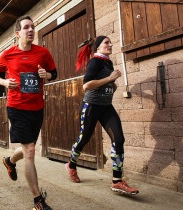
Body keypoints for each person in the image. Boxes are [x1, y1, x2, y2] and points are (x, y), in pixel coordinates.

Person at [0, 15, 57, 210]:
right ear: (18, 33)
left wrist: (48, 75)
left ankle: (9, 161)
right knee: (30, 151)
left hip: (37, 107)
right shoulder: (8, 54)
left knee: (29, 148)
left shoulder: (43, 53)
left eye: (33, 26)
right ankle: (38, 200)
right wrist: (5, 82)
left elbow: (54, 73)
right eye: (26, 27)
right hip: (16, 107)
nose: (31, 30)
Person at [65, 36, 139, 195]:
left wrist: (112, 85)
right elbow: (86, 85)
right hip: (91, 106)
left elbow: (106, 82)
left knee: (118, 139)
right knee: (84, 139)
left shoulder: (108, 62)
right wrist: (110, 78)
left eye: (111, 42)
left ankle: (117, 181)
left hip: (106, 106)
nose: (110, 44)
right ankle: (71, 165)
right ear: (98, 47)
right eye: (106, 43)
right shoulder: (95, 62)